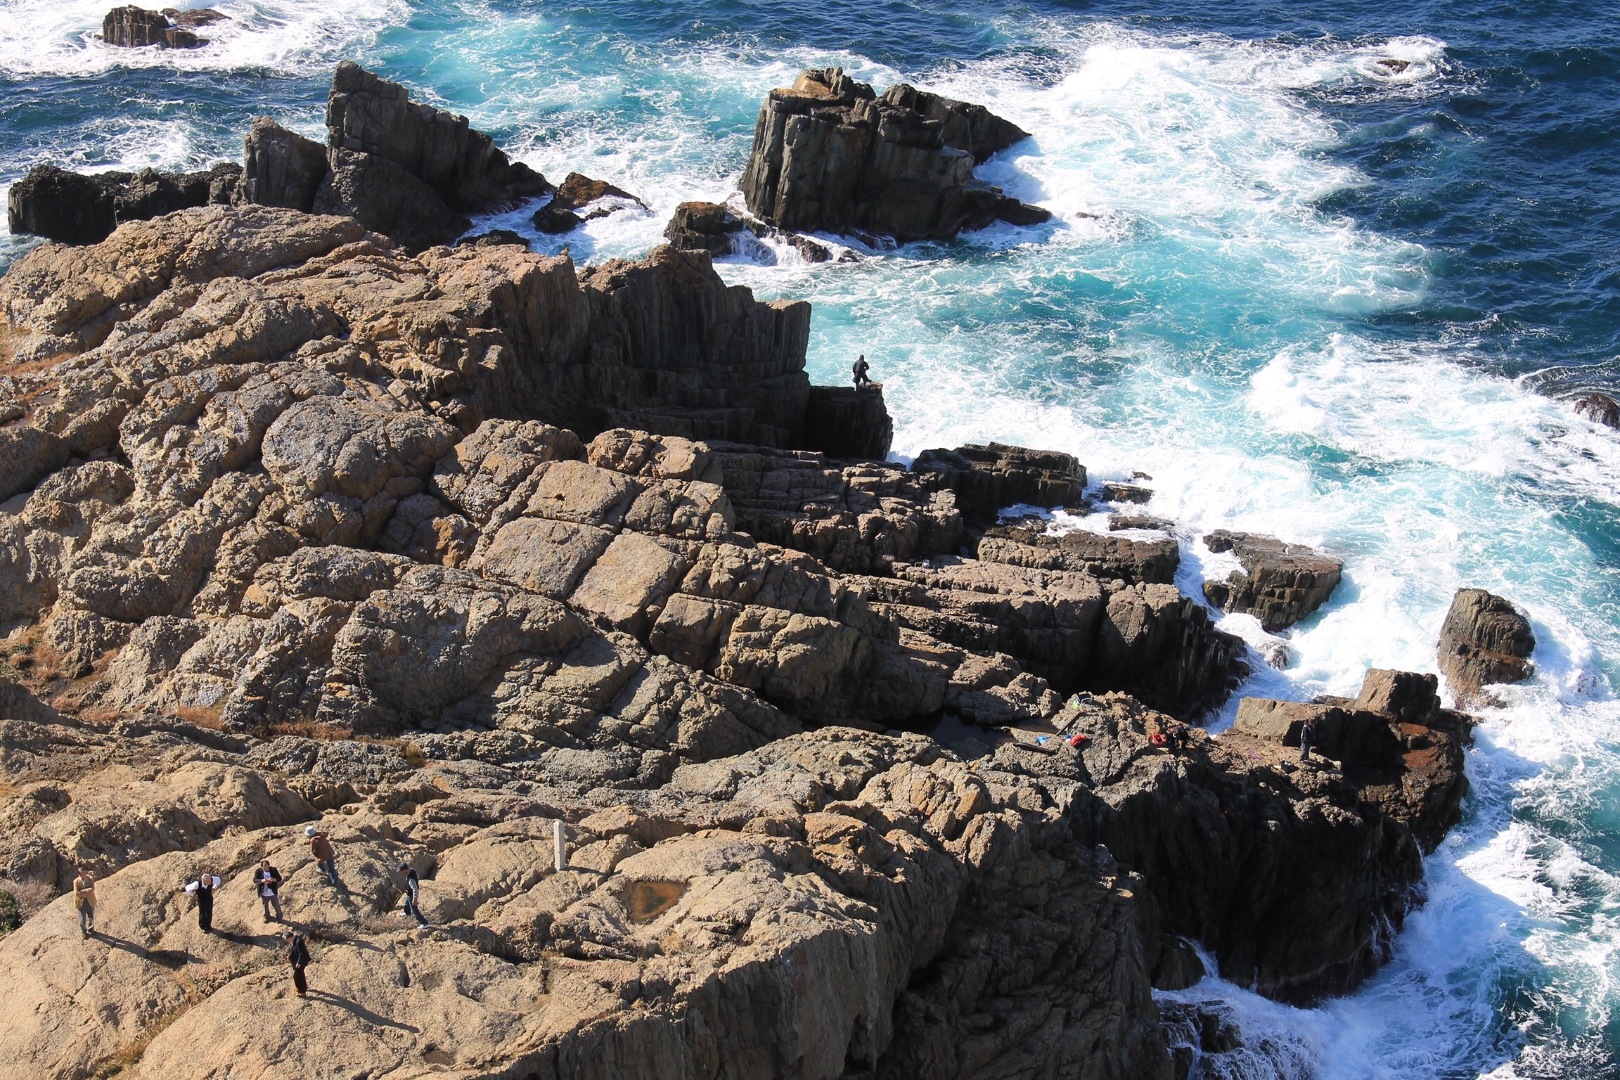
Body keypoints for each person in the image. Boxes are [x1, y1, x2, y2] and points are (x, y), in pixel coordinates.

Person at [398, 863, 429, 927]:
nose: (401, 872)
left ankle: (425, 923)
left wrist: (414, 899)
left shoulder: (411, 880)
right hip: (409, 894)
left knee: (414, 911)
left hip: (411, 895)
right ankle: (407, 913)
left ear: (405, 870)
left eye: (401, 871)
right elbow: (417, 876)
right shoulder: (412, 870)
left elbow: (415, 889)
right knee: (407, 904)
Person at [282, 930, 310, 998]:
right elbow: (294, 950)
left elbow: (301, 953)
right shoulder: (294, 940)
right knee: (301, 974)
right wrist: (290, 956)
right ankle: (304, 988)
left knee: (297, 977)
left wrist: (299, 963)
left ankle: (302, 992)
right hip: (298, 960)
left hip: (301, 961)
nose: (287, 941)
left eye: (287, 939)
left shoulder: (298, 941)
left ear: (289, 937)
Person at [72, 864, 96, 939]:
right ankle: (83, 932)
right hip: (80, 901)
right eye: (82, 874)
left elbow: (92, 888)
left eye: (85, 873)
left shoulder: (90, 878)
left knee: (90, 916)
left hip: (89, 900)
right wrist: (84, 893)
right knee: (82, 919)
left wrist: (84, 890)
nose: (84, 875)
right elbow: (76, 893)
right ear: (79, 875)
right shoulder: (76, 881)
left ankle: (91, 929)